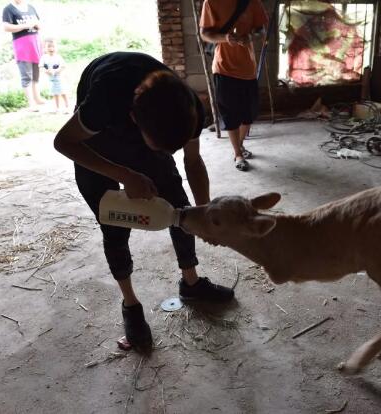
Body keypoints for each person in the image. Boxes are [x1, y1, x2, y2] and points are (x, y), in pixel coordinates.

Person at [54, 52, 234, 352]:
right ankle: (131, 306)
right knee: (114, 225)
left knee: (180, 209)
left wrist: (205, 212)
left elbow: (192, 160)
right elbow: (63, 142)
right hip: (92, 146)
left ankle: (191, 283)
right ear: (134, 119)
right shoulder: (105, 99)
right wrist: (124, 174)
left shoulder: (188, 107)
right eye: (163, 148)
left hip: (149, 134)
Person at [200, 0, 268, 172]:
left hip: (248, 69)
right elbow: (204, 33)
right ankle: (238, 153)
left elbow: (261, 29)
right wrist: (225, 38)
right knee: (230, 114)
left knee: (248, 114)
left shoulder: (252, 2)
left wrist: (251, 36)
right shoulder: (212, 3)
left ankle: (241, 145)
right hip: (223, 68)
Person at [2, 0, 44, 111]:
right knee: (26, 75)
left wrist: (36, 25)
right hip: (21, 44)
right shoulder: (8, 9)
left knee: (36, 73)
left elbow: (39, 24)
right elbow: (6, 27)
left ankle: (37, 98)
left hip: (35, 42)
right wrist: (25, 25)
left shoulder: (30, 7)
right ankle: (31, 103)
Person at [40, 38, 70, 113]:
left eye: (53, 46)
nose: (51, 48)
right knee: (55, 93)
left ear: (56, 48)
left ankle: (67, 106)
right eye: (49, 47)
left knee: (63, 92)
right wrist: (46, 71)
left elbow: (63, 66)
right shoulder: (44, 57)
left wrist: (56, 71)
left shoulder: (58, 57)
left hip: (59, 78)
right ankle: (57, 107)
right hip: (51, 80)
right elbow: (41, 66)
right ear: (45, 48)